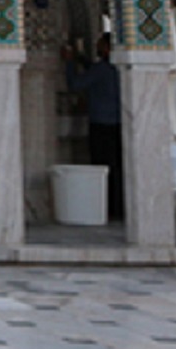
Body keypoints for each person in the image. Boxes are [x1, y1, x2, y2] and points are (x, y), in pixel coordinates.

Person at [63, 33, 123, 220]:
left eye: (100, 45)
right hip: (119, 125)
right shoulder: (119, 68)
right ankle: (120, 207)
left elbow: (76, 84)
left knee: (103, 167)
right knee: (118, 167)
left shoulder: (101, 70)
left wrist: (69, 63)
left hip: (102, 125)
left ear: (107, 48)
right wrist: (83, 60)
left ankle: (108, 208)